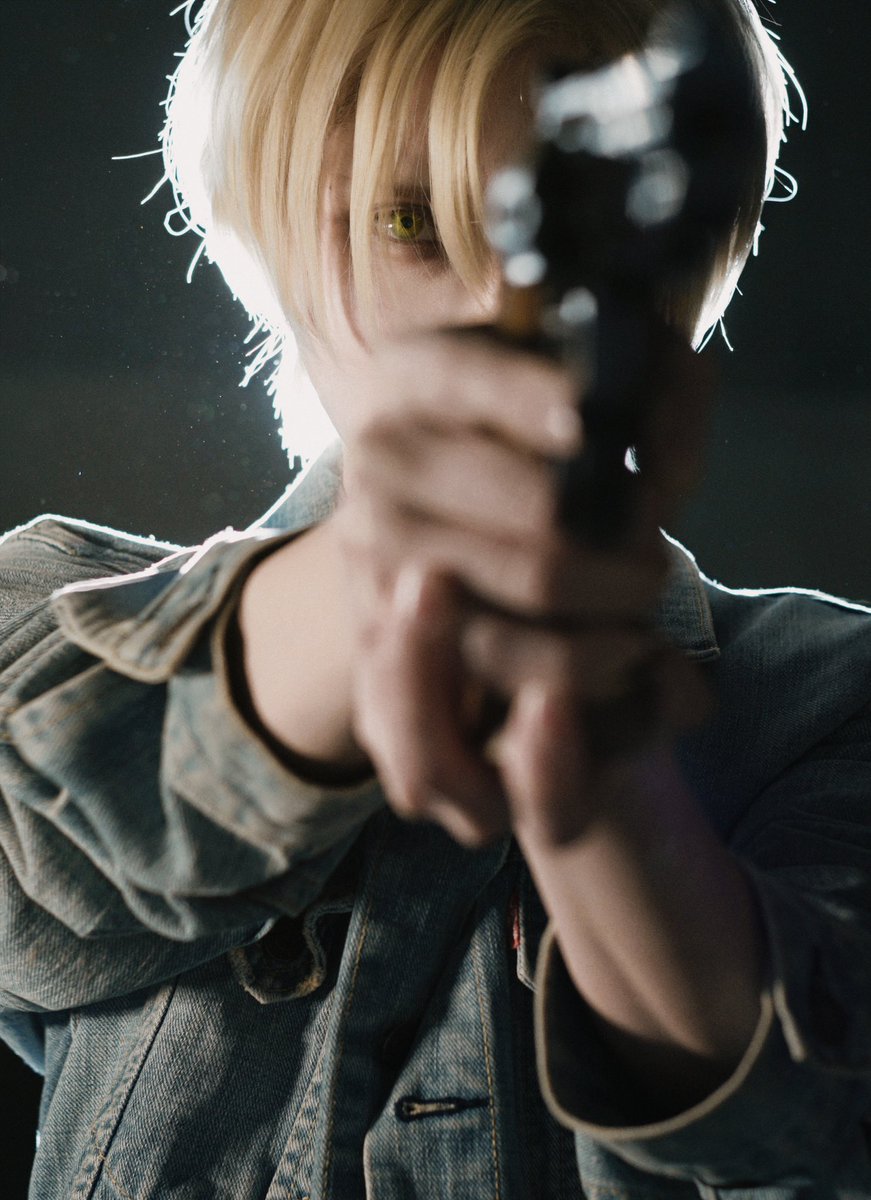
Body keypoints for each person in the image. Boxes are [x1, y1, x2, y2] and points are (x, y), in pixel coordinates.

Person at [1, 0, 870, 1195]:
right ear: (273, 228)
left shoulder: (830, 694)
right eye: (413, 221)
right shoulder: (49, 607)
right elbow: (32, 878)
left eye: (590, 230)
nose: (498, 309)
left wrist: (594, 780)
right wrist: (378, 579)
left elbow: (812, 1120)